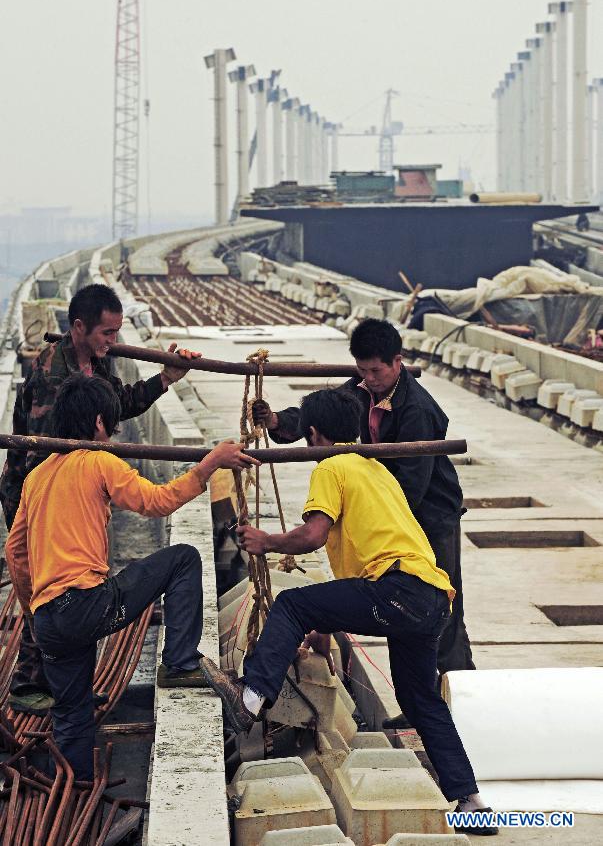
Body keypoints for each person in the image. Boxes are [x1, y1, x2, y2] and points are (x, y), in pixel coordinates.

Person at [201, 390, 495, 835]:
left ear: (313, 435)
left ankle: (250, 698)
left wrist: (267, 541)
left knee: (293, 603)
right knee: (420, 699)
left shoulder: (331, 466)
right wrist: (327, 623)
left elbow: (314, 535)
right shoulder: (375, 469)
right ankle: (470, 799)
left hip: (397, 588)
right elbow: (359, 572)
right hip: (432, 596)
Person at [4, 374, 259, 780]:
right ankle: (179, 661)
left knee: (73, 713)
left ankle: (75, 786)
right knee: (183, 560)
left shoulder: (37, 475)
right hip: (86, 605)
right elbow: (157, 502)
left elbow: (16, 553)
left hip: (50, 621)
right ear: (100, 423)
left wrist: (34, 608)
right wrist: (210, 463)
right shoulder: (98, 460)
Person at [0, 283, 201, 715]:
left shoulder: (92, 363)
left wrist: (166, 377)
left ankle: (65, 689)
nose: (113, 342)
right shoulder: (54, 375)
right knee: (48, 585)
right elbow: (43, 450)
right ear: (78, 327)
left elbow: (118, 404)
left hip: (63, 482)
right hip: (35, 489)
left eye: (116, 333)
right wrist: (77, 492)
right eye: (106, 334)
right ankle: (26, 684)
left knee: (69, 585)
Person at [253, 318, 474, 675]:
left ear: (397, 362)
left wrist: (367, 511)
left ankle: (460, 689)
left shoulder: (417, 410)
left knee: (442, 606)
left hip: (431, 516)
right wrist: (278, 420)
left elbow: (414, 484)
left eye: (376, 370)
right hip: (392, 504)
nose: (369, 378)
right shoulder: (362, 389)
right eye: (362, 370)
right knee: (404, 613)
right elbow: (323, 414)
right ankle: (418, 698)